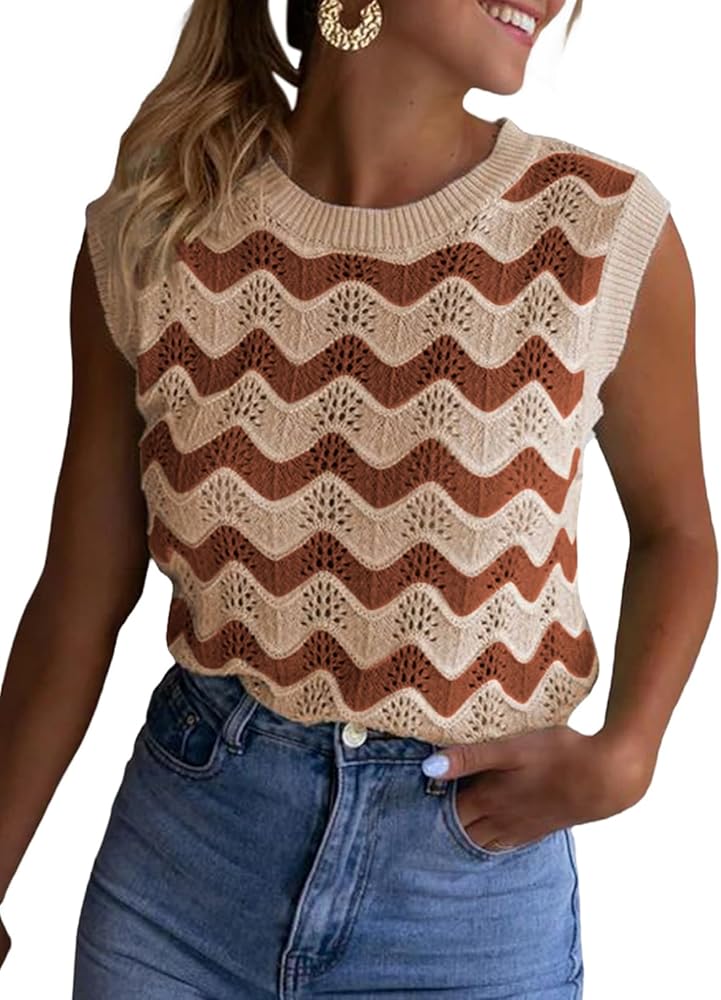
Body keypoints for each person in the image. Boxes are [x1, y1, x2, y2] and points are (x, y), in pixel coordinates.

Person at [0, 0, 716, 996]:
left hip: (464, 899)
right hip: (182, 879)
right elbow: (80, 595)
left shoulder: (594, 231)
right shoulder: (160, 226)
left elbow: (677, 529)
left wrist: (629, 754)